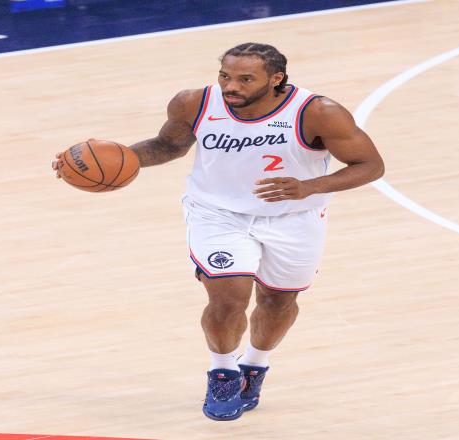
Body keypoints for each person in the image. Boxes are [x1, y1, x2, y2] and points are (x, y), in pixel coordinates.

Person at [53, 42, 384, 421]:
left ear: (275, 79)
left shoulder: (318, 112)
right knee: (228, 298)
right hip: (217, 214)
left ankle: (254, 366)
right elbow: (168, 145)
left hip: (293, 218)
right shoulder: (194, 103)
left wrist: (310, 186)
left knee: (279, 302)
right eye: (225, 76)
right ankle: (223, 373)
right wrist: (106, 160)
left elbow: (370, 165)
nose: (231, 86)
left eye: (245, 79)